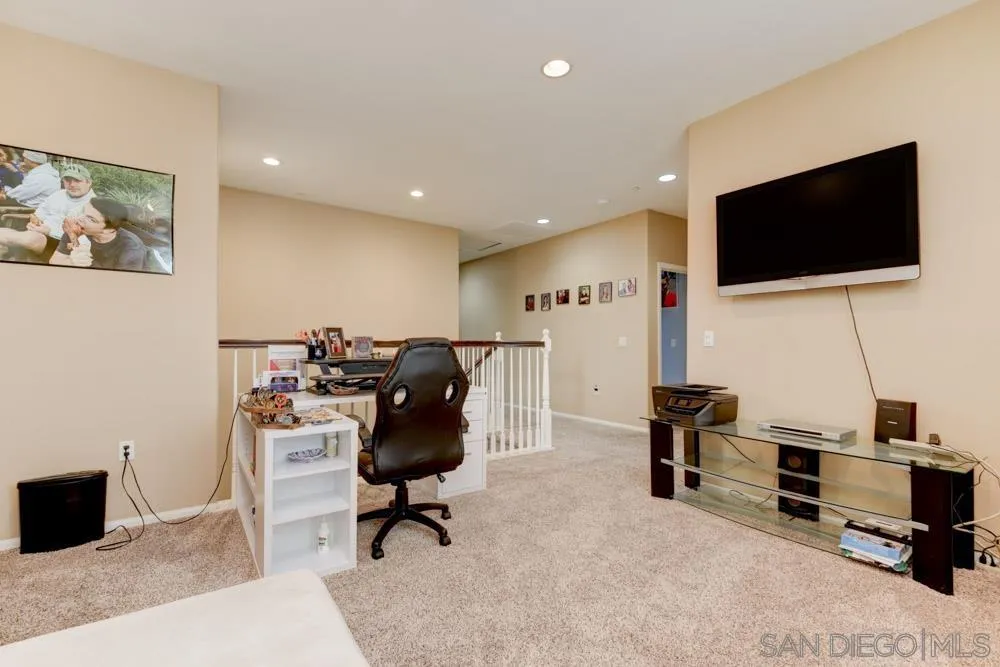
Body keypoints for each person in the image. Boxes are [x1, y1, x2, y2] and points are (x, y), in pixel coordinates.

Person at [0, 163, 96, 260]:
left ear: (88, 182)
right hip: (40, 234)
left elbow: (86, 237)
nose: (72, 184)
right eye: (67, 180)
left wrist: (50, 232)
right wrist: (35, 222)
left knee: (28, 239)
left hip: (62, 246)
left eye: (77, 180)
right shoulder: (58, 195)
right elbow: (40, 213)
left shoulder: (94, 205)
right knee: (8, 233)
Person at [54, 198, 147, 271]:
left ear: (109, 230)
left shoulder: (131, 249)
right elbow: (54, 261)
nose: (80, 219)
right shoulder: (77, 229)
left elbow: (122, 285)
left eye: (91, 219)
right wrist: (71, 262)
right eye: (83, 212)